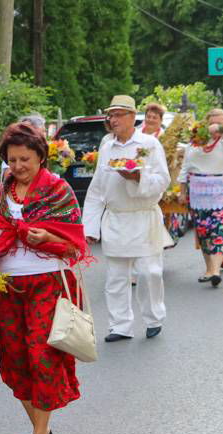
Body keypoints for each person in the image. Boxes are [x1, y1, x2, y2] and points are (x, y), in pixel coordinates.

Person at [0, 122, 89, 434]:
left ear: (41, 156)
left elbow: (74, 246)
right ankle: (39, 427)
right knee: (15, 358)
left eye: (25, 159)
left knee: (41, 356)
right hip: (5, 287)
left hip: (47, 284)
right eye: (12, 160)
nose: (18, 166)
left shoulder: (59, 192)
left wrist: (47, 240)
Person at [83, 95, 171, 342]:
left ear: (133, 117)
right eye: (111, 115)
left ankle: (154, 318)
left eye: (119, 114)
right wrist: (89, 226)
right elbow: (97, 188)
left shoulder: (149, 144)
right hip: (116, 218)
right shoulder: (106, 145)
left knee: (149, 272)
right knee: (116, 276)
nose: (113, 120)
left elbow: (163, 180)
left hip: (144, 217)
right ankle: (120, 325)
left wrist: (137, 178)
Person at [178, 109, 223, 286]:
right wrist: (182, 191)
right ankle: (209, 269)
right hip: (198, 187)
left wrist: (222, 134)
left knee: (219, 227)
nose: (214, 125)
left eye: (219, 121)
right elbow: (186, 166)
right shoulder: (197, 138)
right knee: (203, 229)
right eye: (211, 121)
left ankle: (216, 270)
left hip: (221, 186)